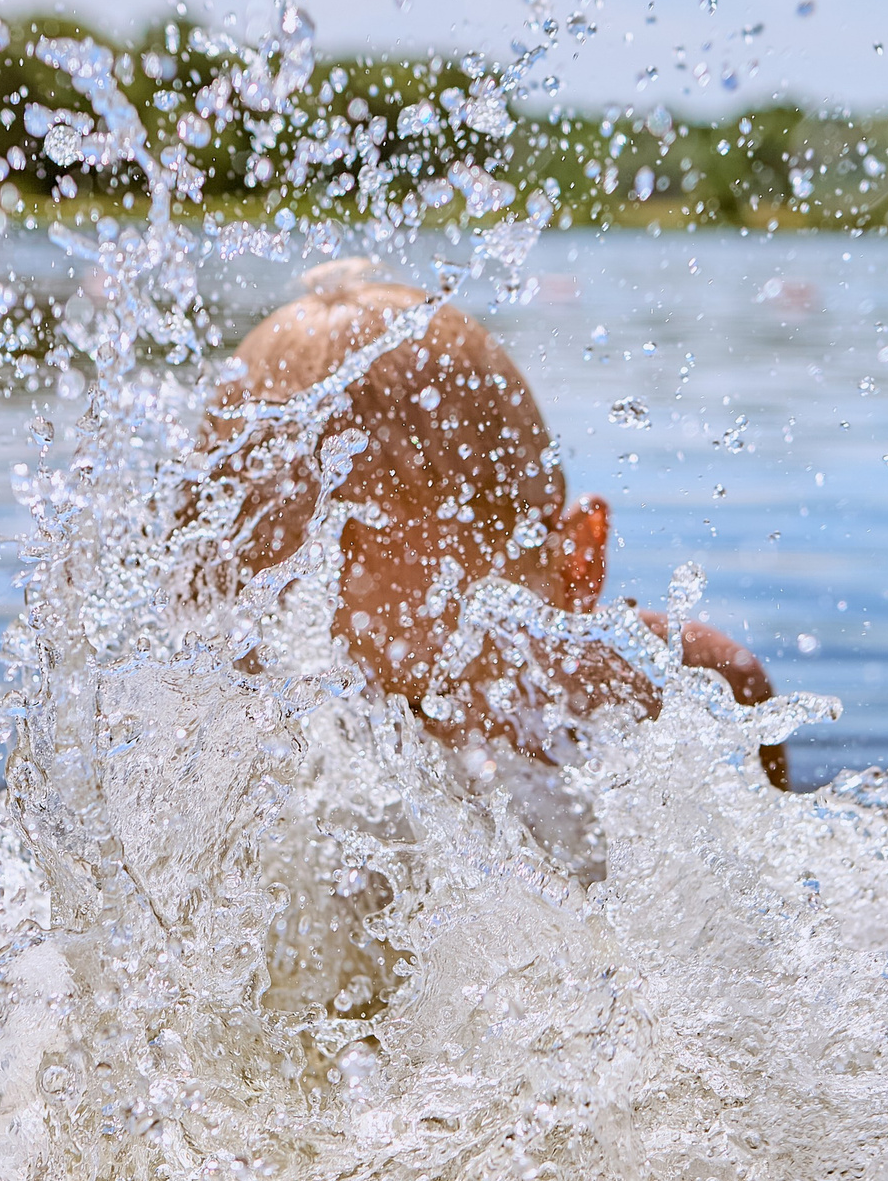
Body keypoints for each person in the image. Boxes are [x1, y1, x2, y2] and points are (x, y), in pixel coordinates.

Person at [202, 259, 788, 788]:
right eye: (360, 710)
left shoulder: (630, 682)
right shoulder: (238, 741)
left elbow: (734, 676)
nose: (424, 740)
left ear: (575, 566)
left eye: (433, 701)